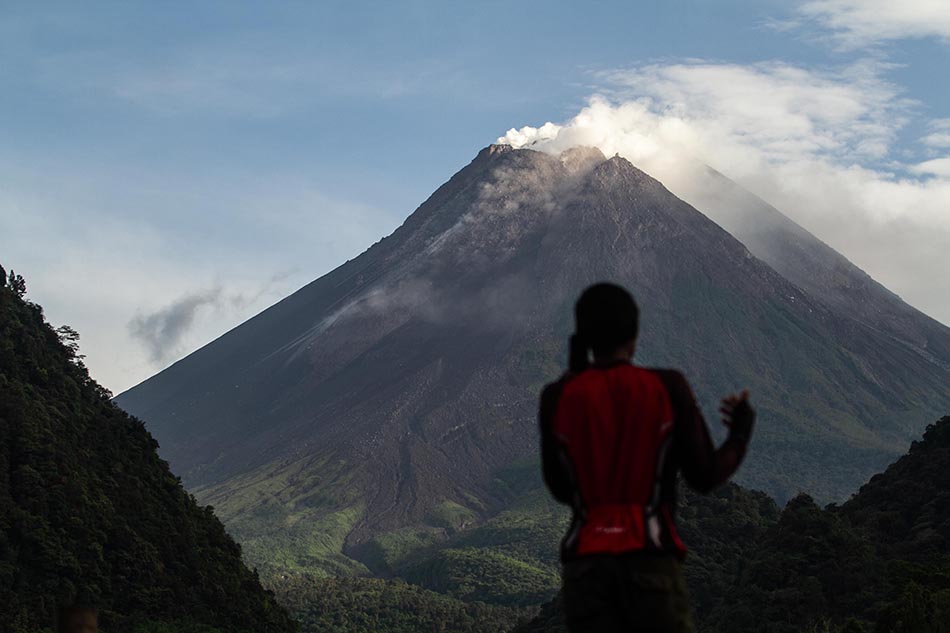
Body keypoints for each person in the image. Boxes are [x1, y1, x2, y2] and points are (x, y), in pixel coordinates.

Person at [539, 282, 755, 633]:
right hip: (649, 559)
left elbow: (562, 488)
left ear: (584, 336)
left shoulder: (557, 397)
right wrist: (740, 433)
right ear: (635, 333)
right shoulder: (667, 387)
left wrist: (576, 371)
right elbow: (704, 475)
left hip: (586, 566)